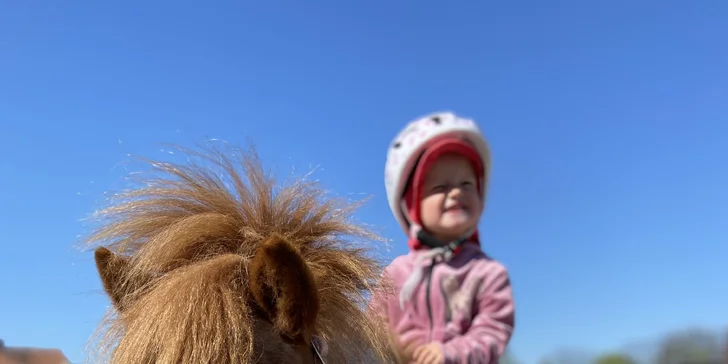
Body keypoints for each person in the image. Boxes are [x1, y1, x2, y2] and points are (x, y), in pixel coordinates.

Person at [370, 111, 515, 364]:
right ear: (411, 205)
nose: (457, 192)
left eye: (467, 184)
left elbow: (493, 330)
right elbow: (368, 331)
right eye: (440, 187)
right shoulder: (394, 275)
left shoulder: (488, 273)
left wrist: (450, 353)